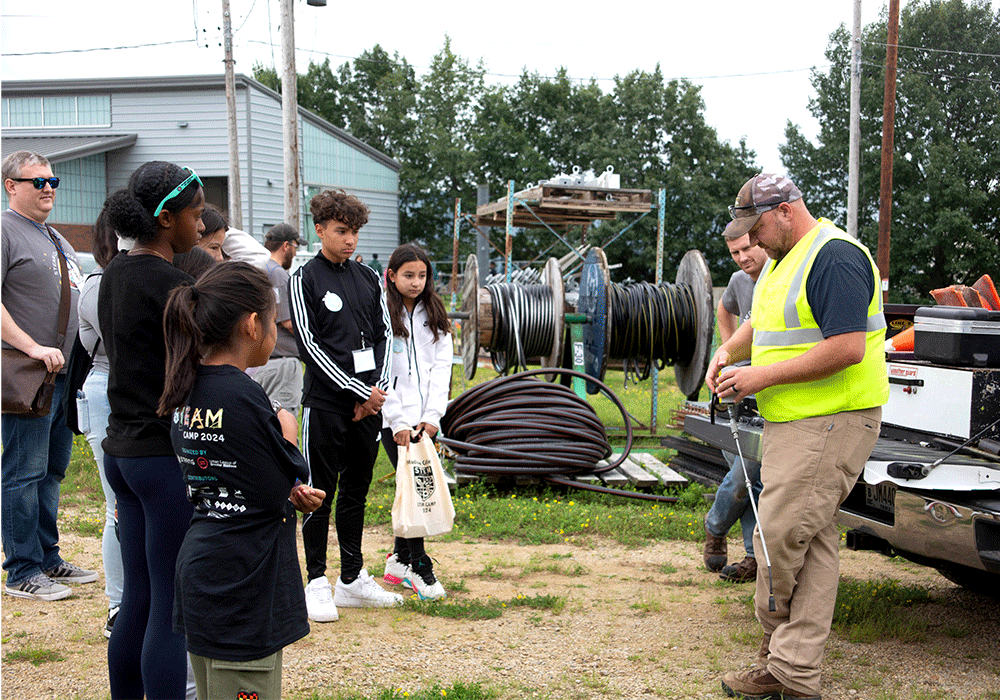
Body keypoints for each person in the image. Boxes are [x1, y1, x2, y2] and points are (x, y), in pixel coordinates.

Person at [706, 173, 888, 700]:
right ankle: (792, 670)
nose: (753, 241)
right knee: (812, 542)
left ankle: (778, 650)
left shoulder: (834, 257)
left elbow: (848, 348)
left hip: (833, 419)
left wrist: (759, 377)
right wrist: (729, 354)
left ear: (786, 210)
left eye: (757, 228)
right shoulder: (784, 261)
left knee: (779, 536)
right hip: (797, 422)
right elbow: (760, 326)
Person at [160, 262, 324, 700]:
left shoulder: (186, 384)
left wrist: (286, 487)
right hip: (242, 582)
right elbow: (284, 472)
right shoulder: (242, 393)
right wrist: (287, 426)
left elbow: (236, 469)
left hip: (204, 571)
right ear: (253, 325)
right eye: (273, 320)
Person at [99, 161, 205, 700]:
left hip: (121, 452)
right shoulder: (175, 284)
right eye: (195, 214)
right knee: (168, 604)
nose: (203, 226)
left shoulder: (115, 271)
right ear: (166, 219)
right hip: (161, 457)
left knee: (137, 597)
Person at [289, 189, 402, 622]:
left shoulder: (370, 278)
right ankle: (315, 580)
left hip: (368, 407)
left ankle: (351, 579)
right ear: (320, 230)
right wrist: (357, 392)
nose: (349, 239)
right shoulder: (303, 278)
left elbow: (384, 336)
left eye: (354, 231)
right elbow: (309, 346)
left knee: (357, 490)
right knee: (320, 491)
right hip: (326, 404)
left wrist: (377, 393)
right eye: (341, 231)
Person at [2, 150, 98, 602]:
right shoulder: (5, 230)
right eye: (36, 181)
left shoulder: (56, 238)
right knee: (23, 472)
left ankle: (47, 557)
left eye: (52, 181)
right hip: (26, 371)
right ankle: (22, 569)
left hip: (62, 373)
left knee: (52, 470)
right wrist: (31, 346)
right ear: (11, 186)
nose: (48, 188)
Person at [380, 243, 452, 601]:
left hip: (425, 423)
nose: (416, 282)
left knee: (412, 487)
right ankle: (420, 567)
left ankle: (398, 560)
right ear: (391, 276)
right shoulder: (380, 314)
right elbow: (383, 374)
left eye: (422, 275)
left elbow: (442, 369)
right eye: (408, 275)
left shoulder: (435, 314)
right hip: (394, 422)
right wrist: (397, 422)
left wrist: (432, 418)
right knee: (412, 488)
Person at [703, 230, 769, 584]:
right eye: (735, 252)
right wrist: (729, 349)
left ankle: (716, 526)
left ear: (762, 241)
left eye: (747, 248)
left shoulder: (780, 275)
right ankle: (750, 556)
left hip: (768, 389)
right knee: (749, 474)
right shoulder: (738, 281)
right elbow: (725, 307)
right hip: (734, 389)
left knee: (751, 473)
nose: (743, 257)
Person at [77, 206, 125, 635]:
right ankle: (118, 606)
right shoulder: (96, 285)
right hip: (106, 393)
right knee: (118, 508)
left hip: (135, 397)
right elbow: (125, 340)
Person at [255, 223, 307, 415]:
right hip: (283, 364)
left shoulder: (260, 268)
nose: (295, 252)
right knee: (285, 423)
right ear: (286, 246)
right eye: (295, 247)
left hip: (264, 361)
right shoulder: (277, 273)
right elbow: (289, 322)